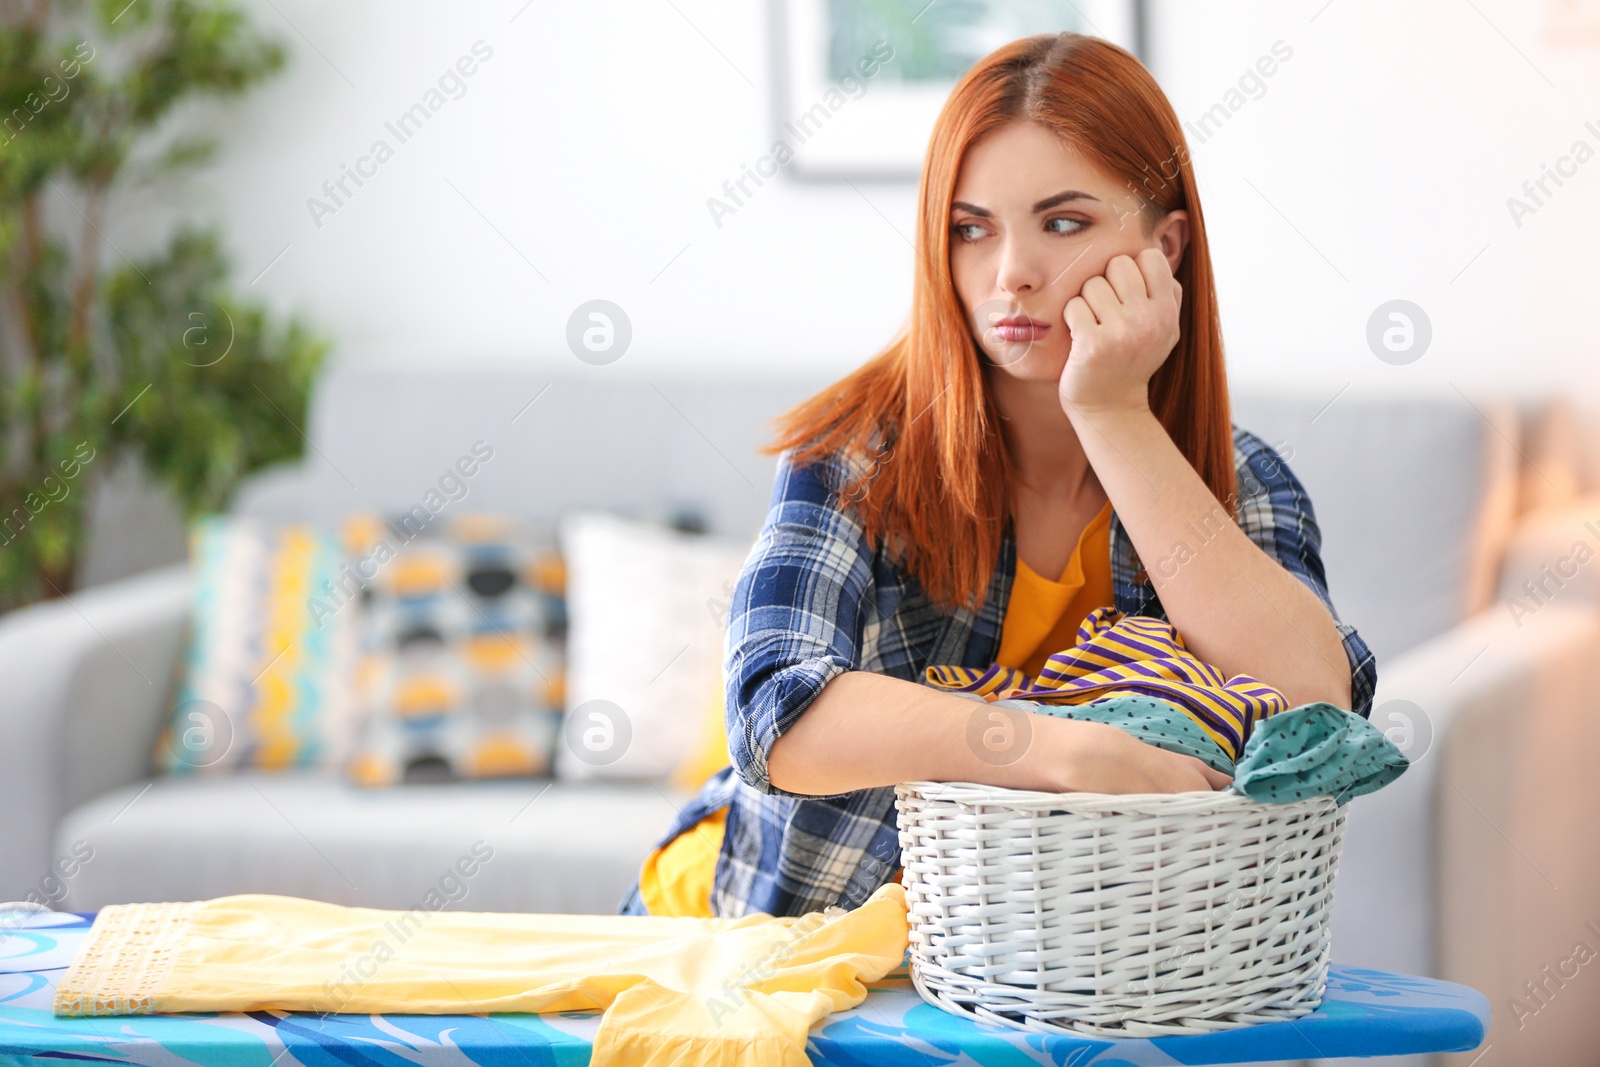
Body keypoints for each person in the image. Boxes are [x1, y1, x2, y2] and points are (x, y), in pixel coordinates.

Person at [616, 31, 1376, 921]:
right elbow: (774, 711)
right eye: (970, 230)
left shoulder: (1242, 483)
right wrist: (1057, 747)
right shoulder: (857, 454)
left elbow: (1313, 709)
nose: (1010, 274)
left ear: (1165, 247)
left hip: (1052, 968)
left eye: (1064, 222)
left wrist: (1114, 415)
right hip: (762, 932)